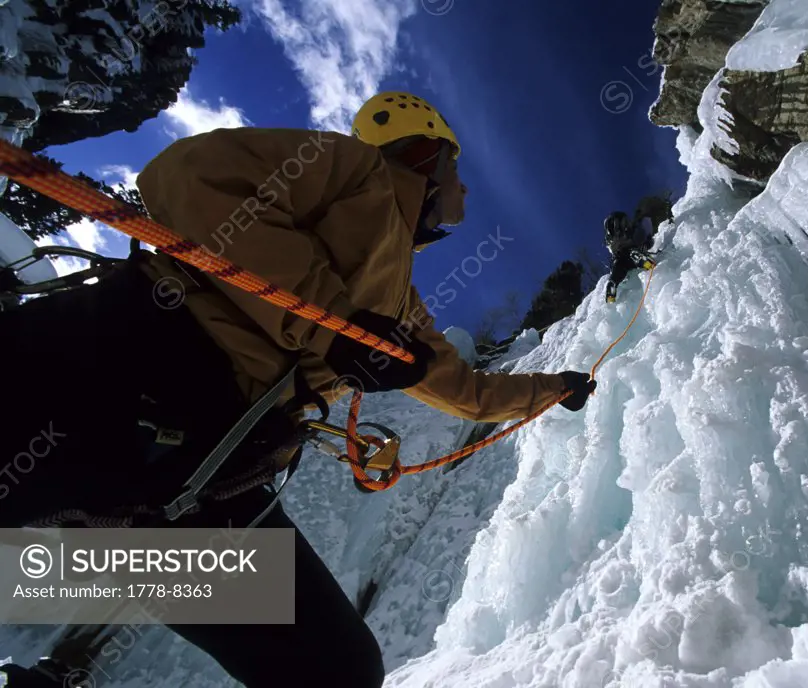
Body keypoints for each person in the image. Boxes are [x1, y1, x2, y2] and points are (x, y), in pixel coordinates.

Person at [0, 91, 598, 688]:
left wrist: (555, 388)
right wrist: (331, 327)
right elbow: (185, 176)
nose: (463, 189)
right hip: (116, 363)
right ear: (429, 155)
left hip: (204, 477)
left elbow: (465, 392)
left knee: (338, 669)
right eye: (458, 170)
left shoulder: (402, 306)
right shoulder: (355, 169)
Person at [603, 210, 656, 303]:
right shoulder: (632, 230)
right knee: (627, 258)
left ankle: (613, 282)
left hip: (624, 259)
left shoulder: (614, 238)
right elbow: (647, 239)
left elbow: (646, 240)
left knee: (620, 264)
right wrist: (647, 243)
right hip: (629, 255)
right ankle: (641, 260)